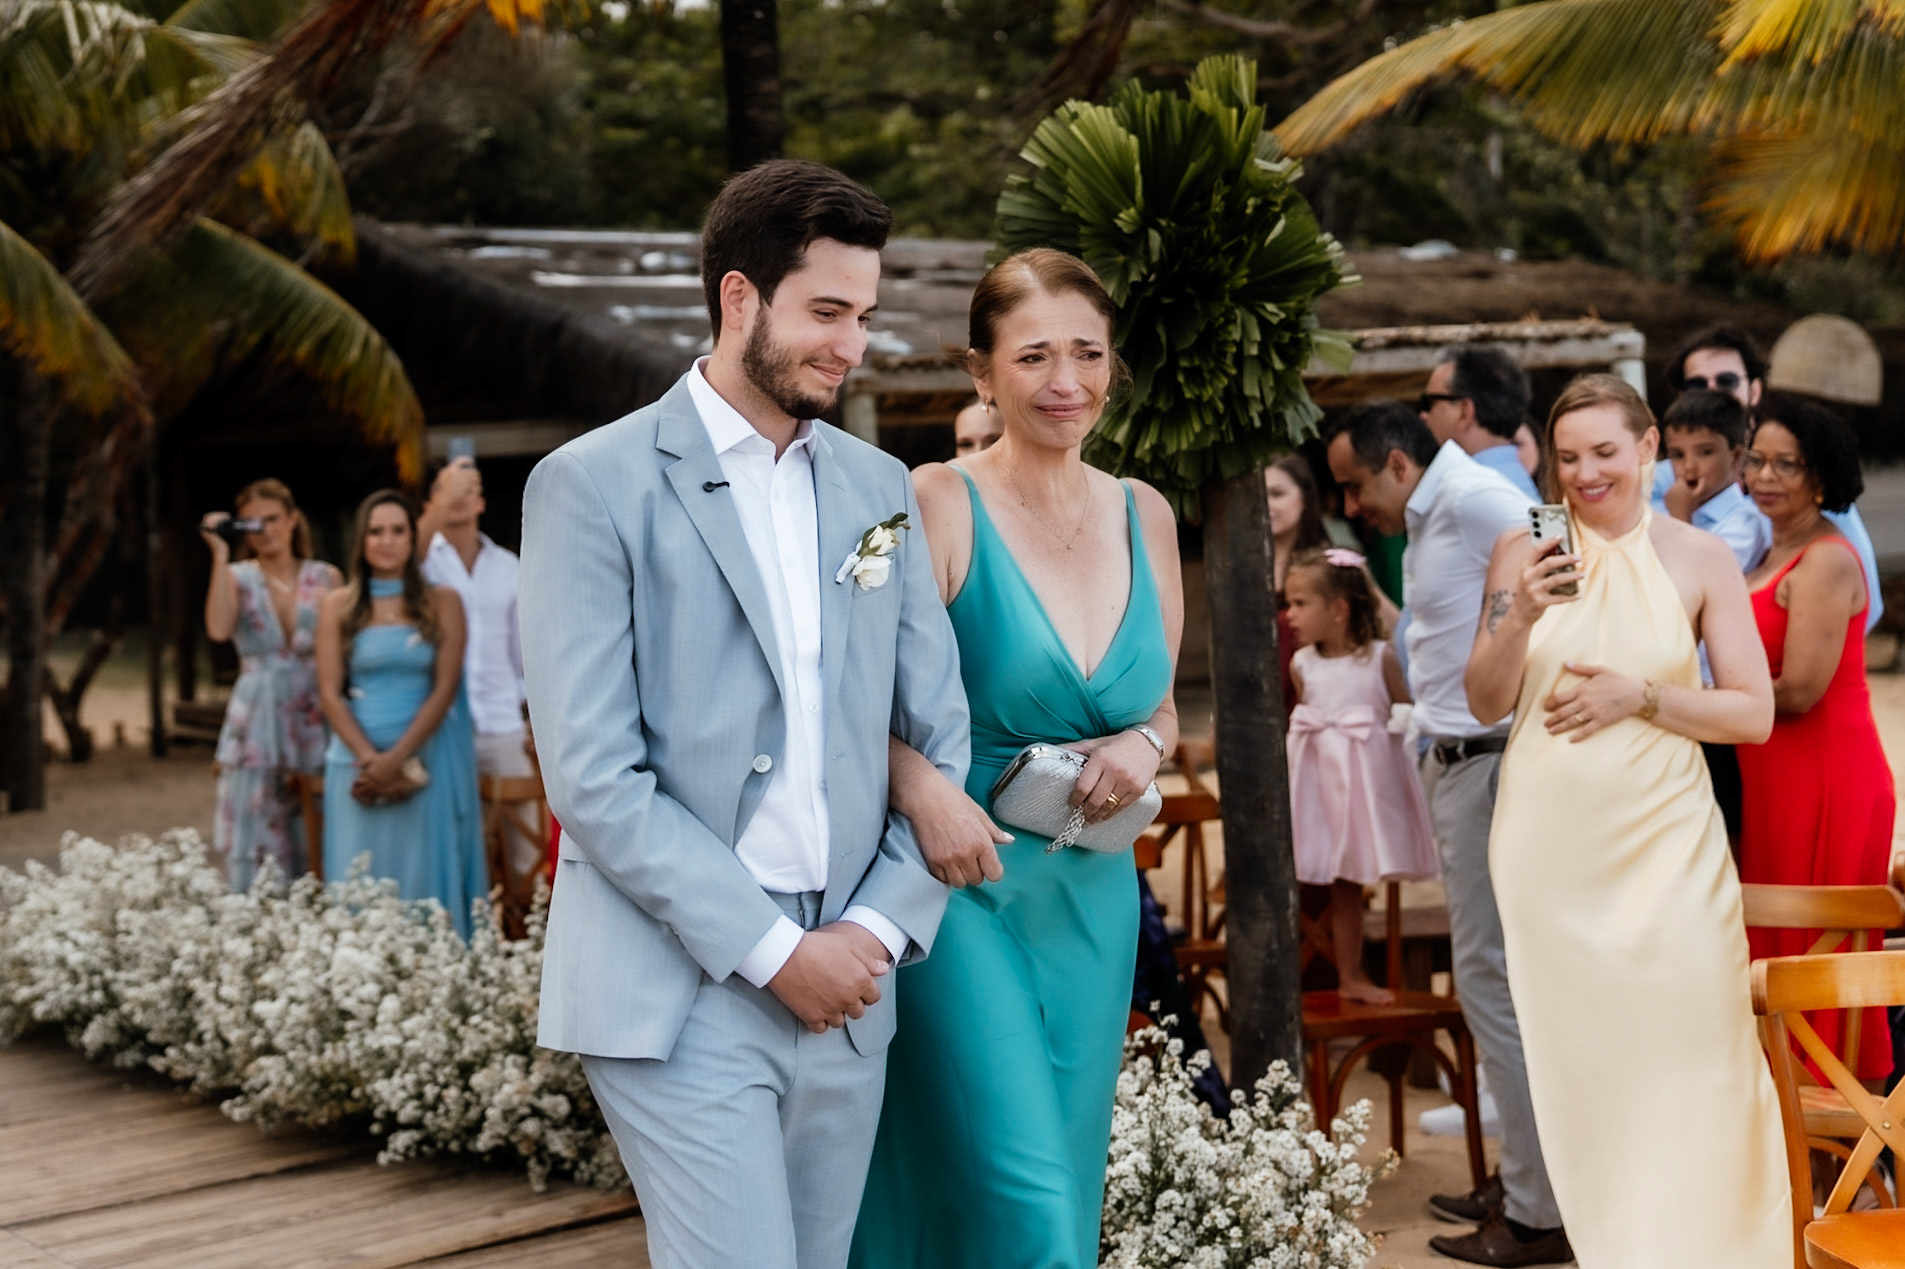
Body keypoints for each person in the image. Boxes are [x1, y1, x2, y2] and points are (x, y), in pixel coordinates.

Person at [517, 160, 970, 1269]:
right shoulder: (590, 483)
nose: (851, 346)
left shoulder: (878, 489)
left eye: (861, 317)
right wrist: (775, 952)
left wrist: (866, 932)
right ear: (737, 299)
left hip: (852, 976)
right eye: (825, 312)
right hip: (681, 981)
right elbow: (592, 777)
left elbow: (939, 730)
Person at [853, 247, 1182, 1269]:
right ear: (980, 372)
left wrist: (1141, 743)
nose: (1066, 382)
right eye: (1035, 356)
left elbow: (1162, 706)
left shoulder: (1149, 512)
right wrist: (924, 794)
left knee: (1062, 1190)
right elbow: (833, 689)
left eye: (1088, 354)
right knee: (1026, 1197)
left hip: (1093, 895)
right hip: (965, 889)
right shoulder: (925, 499)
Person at [1465, 373, 1790, 1267]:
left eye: (1605, 452)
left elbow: (1751, 714)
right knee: (1591, 1071)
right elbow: (1485, 698)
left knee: (1700, 1051)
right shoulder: (1522, 546)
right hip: (1548, 851)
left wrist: (1640, 695)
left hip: (1668, 847)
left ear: (1649, 447)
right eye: (1567, 457)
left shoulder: (1698, 556)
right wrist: (1517, 611)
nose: (1585, 473)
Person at [1326, 400, 1568, 1266]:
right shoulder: (1437, 510)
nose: (1351, 506)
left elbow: (1557, 542)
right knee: (1490, 979)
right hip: (1459, 757)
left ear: (1397, 464)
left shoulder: (1471, 497)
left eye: (1354, 486)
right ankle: (1528, 1178)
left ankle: (1541, 1209)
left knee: (1489, 980)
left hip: (1490, 758)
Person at [1736, 393, 1896, 1085]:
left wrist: (1705, 705)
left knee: (1812, 954)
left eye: (1785, 464)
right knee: (1768, 949)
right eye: (1756, 459)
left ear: (1820, 475)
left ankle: (1842, 1154)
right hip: (1769, 777)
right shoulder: (1764, 552)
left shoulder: (1827, 559)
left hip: (1824, 777)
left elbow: (1799, 690)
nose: (1764, 475)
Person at [315, 490, 486, 936]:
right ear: (361, 540)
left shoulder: (443, 602)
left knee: (421, 883)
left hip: (424, 764)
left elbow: (445, 687)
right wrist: (373, 762)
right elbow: (330, 694)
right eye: (376, 531)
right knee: (359, 883)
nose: (386, 540)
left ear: (413, 539)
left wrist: (396, 760)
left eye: (397, 530)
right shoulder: (336, 605)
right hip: (357, 769)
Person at [1283, 547, 1436, 1005]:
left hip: (1366, 788)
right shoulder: (1301, 665)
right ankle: (1343, 975)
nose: (1289, 615)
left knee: (1354, 877)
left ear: (1338, 609)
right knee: (1335, 882)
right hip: (1316, 788)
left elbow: (1404, 714)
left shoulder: (1379, 658)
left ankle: (1358, 974)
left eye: (1300, 603)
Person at [1664, 324, 1882, 631]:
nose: (1712, 391)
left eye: (1726, 380)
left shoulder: (1812, 484)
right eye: (1698, 384)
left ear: (1754, 390)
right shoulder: (1661, 482)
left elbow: (1864, 601)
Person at [200, 479, 339, 889]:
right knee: (255, 824)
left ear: (293, 520)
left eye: (272, 519)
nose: (264, 529)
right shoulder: (237, 576)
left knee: (315, 826)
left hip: (313, 715)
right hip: (257, 719)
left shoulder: (327, 577)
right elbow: (218, 628)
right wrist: (219, 552)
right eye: (251, 523)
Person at [416, 455, 536, 878]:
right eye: (448, 489)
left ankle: (526, 934)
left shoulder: (508, 566)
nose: (459, 497)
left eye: (470, 489)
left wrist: (531, 721)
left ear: (482, 503)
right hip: (441, 726)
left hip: (502, 722)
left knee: (526, 846)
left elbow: (524, 656)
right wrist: (447, 487)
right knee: (455, 844)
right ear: (431, 501)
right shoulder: (419, 563)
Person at [1659, 389, 1764, 842]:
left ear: (1736, 455)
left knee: (1720, 829)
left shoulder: (1744, 524)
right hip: (1679, 702)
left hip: (1718, 701)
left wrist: (1679, 517)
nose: (1689, 467)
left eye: (1704, 452)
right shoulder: (1667, 517)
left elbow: (1677, 595)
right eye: (1678, 454)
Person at [1419, 345, 1540, 501]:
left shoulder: (1464, 495)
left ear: (1464, 411)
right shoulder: (1520, 485)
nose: (1423, 415)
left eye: (1429, 403)